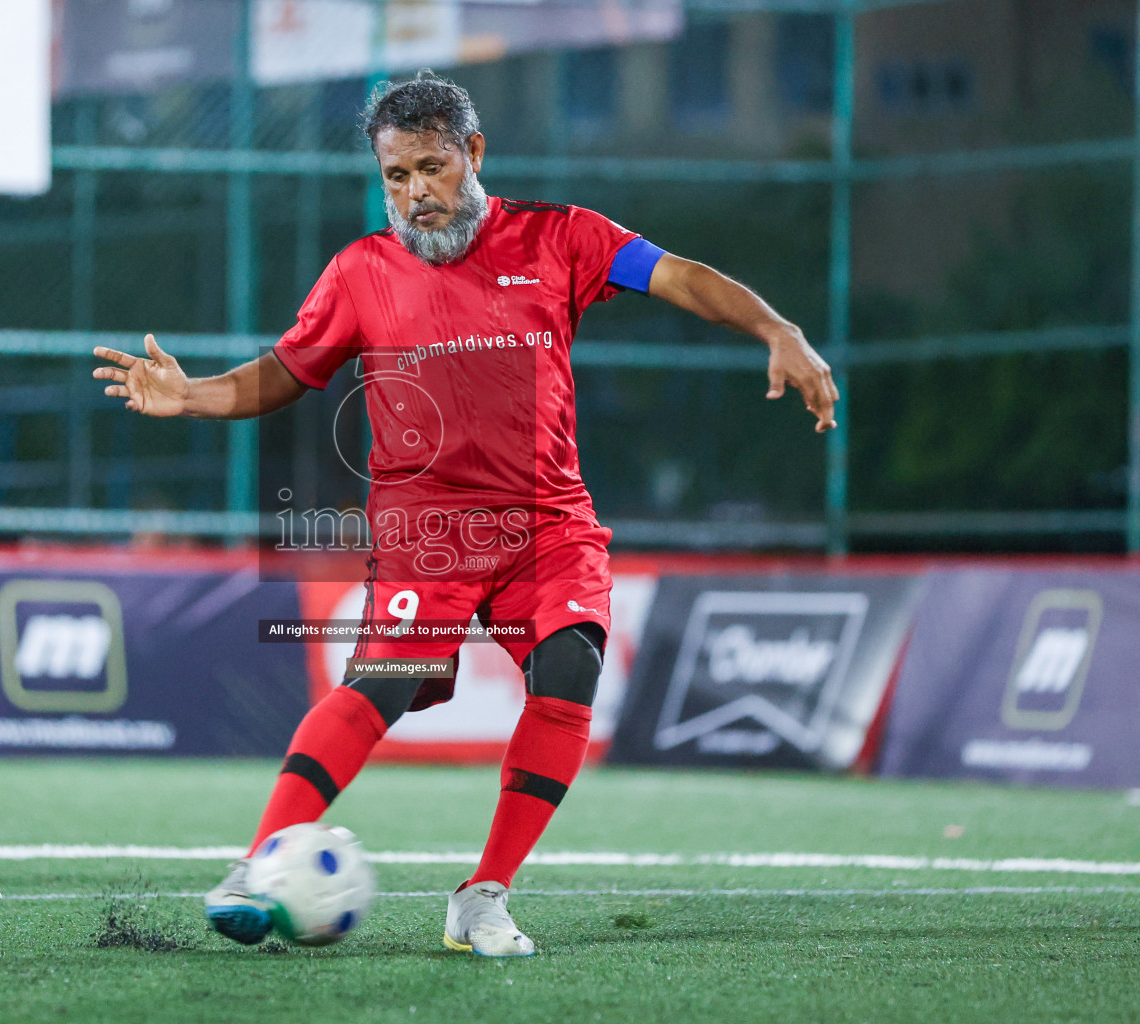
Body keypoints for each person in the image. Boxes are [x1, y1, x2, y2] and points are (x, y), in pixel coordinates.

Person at [93, 72, 837, 957]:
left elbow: (678, 276)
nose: (416, 194)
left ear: (473, 154)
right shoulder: (361, 273)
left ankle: (482, 897)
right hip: (427, 532)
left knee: (570, 669)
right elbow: (288, 373)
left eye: (433, 167)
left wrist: (776, 328)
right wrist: (195, 397)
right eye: (396, 175)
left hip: (546, 522)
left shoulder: (562, 238)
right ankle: (259, 863)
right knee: (379, 685)